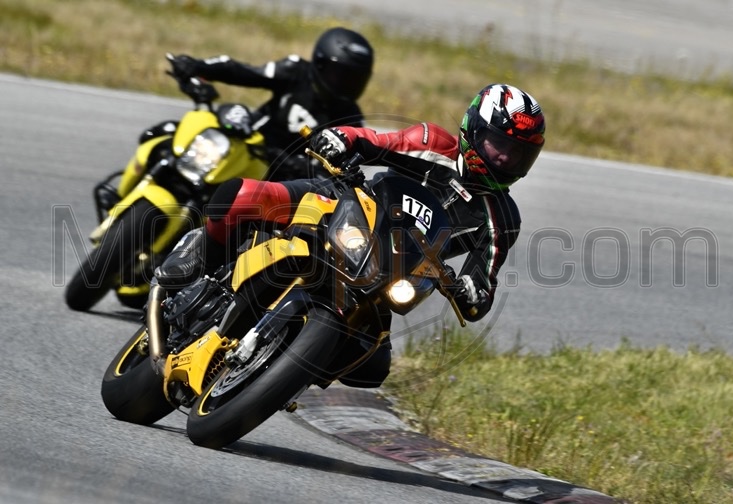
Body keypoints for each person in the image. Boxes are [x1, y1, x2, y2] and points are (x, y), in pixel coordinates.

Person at [155, 83, 545, 385]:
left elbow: (482, 286)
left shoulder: (501, 218)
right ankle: (197, 269)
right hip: (346, 208)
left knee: (371, 367)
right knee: (242, 198)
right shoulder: (432, 143)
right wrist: (340, 138)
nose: (505, 159)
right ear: (474, 129)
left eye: (518, 153)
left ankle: (282, 372)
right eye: (499, 145)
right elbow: (372, 141)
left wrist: (470, 292)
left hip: (392, 272)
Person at [168, 26, 374, 179]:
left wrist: (303, 167)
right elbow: (242, 72)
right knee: (170, 135)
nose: (346, 85)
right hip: (247, 145)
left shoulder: (352, 122)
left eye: (354, 80)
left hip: (280, 183)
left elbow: (339, 173)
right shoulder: (296, 71)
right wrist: (197, 66)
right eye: (339, 76)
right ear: (320, 64)